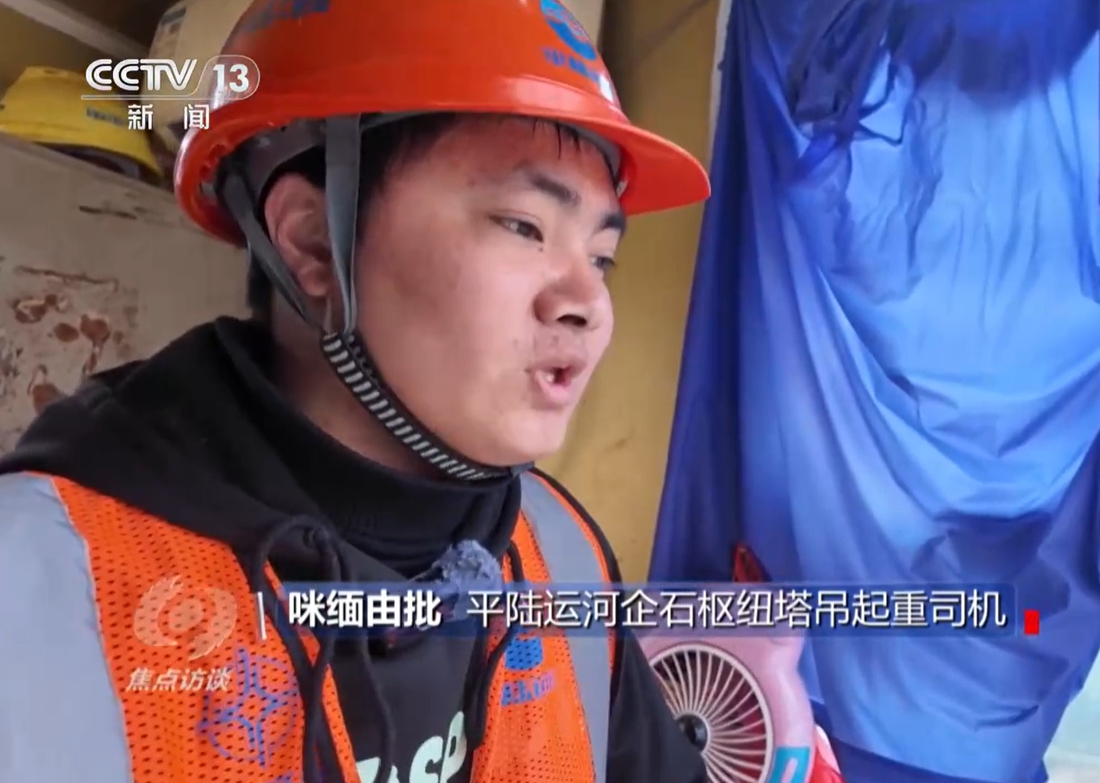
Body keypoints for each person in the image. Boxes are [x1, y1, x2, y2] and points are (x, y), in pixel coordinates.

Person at [0, 1, 711, 782]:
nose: (588, 302)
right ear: (311, 242)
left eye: (601, 257)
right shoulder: (43, 583)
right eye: (523, 226)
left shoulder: (560, 550)